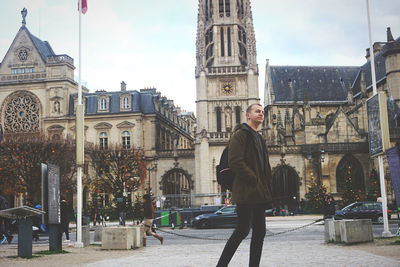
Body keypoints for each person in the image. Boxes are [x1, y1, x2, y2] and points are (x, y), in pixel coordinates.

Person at [216, 103, 273, 267]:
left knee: (259, 232)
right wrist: (253, 179)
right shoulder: (240, 135)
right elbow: (235, 161)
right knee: (242, 231)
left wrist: (265, 184)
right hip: (246, 191)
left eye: (262, 112)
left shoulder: (259, 137)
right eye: (257, 111)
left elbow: (264, 166)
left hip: (259, 191)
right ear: (248, 115)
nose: (261, 114)